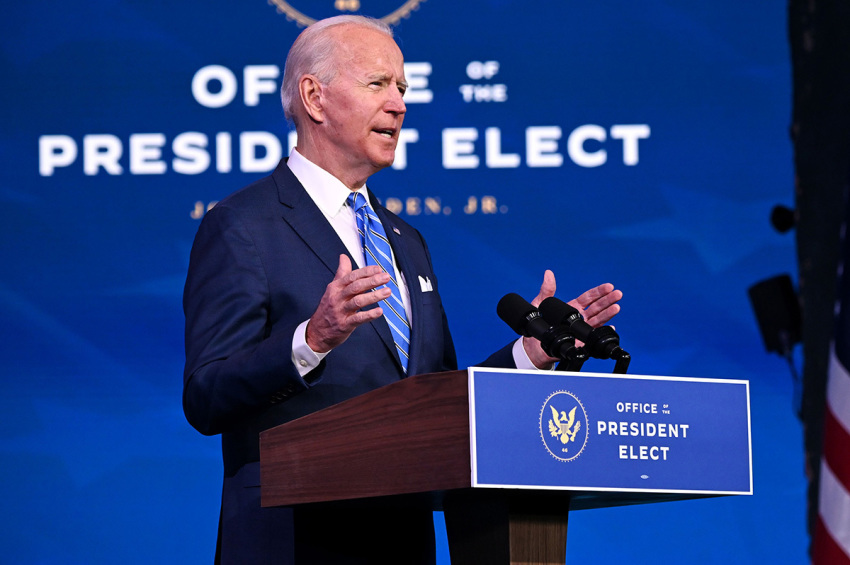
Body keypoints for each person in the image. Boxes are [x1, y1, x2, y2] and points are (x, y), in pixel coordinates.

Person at [182, 15, 622, 565]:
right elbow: (206, 396)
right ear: (315, 98)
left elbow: (436, 396)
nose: (399, 105)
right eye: (378, 84)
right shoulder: (242, 225)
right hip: (293, 539)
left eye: (403, 88)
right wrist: (310, 341)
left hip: (402, 540)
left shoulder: (404, 239)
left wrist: (528, 357)